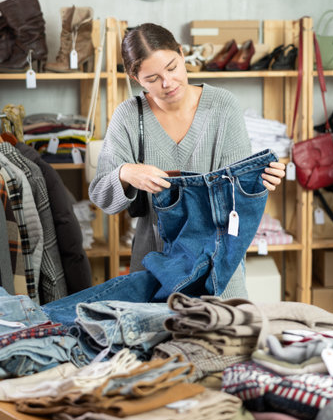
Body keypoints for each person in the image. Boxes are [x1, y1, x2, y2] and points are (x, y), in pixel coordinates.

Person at [88, 22, 285, 299]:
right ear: (135, 78)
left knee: (220, 338)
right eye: (152, 78)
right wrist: (125, 173)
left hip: (219, 272)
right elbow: (100, 196)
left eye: (172, 67)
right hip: (153, 270)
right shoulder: (129, 116)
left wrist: (259, 181)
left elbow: (235, 196)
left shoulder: (222, 106)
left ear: (182, 54)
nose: (167, 83)